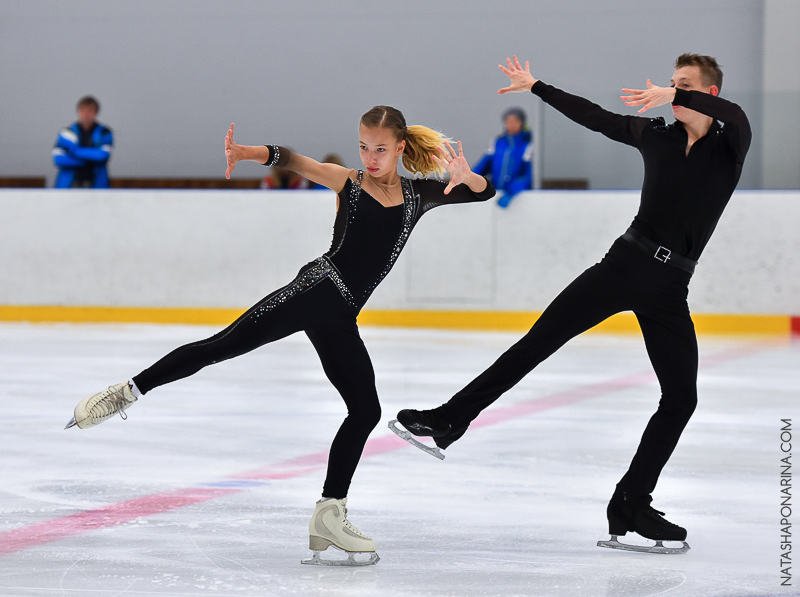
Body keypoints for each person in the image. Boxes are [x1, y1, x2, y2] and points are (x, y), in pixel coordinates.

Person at [65, 106, 495, 566]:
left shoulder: (418, 197)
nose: (371, 158)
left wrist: (468, 177)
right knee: (221, 345)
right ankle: (125, 393)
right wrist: (250, 153)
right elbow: (294, 160)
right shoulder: (350, 183)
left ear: (401, 148)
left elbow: (484, 194)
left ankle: (330, 512)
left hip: (341, 314)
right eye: (364, 148)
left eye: (381, 150)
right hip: (315, 290)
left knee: (365, 409)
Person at [396, 55, 751, 553]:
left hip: (672, 286)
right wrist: (538, 86)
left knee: (681, 399)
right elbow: (595, 118)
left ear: (708, 93)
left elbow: (735, 113)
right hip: (624, 264)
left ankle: (631, 503)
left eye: (685, 87)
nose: (671, 93)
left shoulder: (731, 144)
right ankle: (449, 418)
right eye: (671, 84)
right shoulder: (657, 135)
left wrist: (676, 96)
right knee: (536, 342)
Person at [472, 106, 533, 208]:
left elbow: (527, 176)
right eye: (508, 121)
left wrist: (510, 192)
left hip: (516, 198)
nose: (511, 124)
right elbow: (483, 165)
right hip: (494, 193)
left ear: (521, 123)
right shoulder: (497, 143)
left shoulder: (527, 146)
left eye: (514, 121)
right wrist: (467, 179)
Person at [52, 96, 113, 188]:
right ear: (78, 111)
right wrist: (90, 159)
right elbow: (59, 159)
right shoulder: (66, 133)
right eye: (82, 110)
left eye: (90, 110)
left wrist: (74, 151)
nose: (86, 114)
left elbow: (102, 156)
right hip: (69, 186)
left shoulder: (104, 132)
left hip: (96, 186)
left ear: (96, 113)